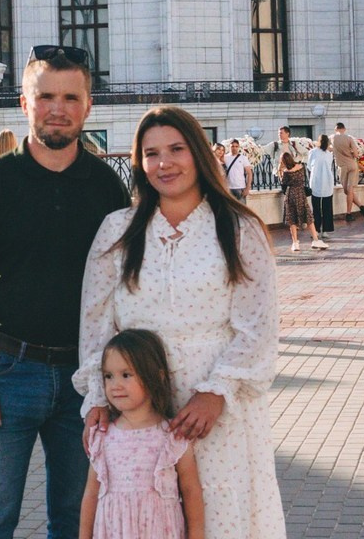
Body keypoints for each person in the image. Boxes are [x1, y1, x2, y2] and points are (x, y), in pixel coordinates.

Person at [0, 45, 130, 539]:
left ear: (88, 105)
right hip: (6, 375)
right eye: (45, 96)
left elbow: (126, 289)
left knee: (76, 523)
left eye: (71, 97)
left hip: (84, 380)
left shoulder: (107, 188)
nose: (58, 108)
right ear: (25, 103)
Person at [77, 105, 286, 539]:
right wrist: (99, 395)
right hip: (139, 410)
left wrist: (216, 394)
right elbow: (96, 325)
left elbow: (257, 326)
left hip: (217, 407)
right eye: (151, 153)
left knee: (223, 514)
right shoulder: (117, 230)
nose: (164, 163)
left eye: (176, 149)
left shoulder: (238, 228)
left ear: (199, 153)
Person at [79, 328, 205, 539]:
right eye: (108, 376)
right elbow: (91, 494)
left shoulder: (172, 436)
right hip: (113, 530)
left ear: (156, 377)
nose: (115, 385)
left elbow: (191, 490)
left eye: (126, 375)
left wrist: (197, 536)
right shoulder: (102, 436)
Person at [278, 151, 325, 252]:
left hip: (291, 195)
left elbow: (284, 187)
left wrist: (280, 172)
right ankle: (316, 240)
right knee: (308, 217)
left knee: (292, 219)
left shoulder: (286, 172)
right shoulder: (301, 167)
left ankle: (295, 243)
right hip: (301, 194)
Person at [331, 122, 362, 221]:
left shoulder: (332, 138)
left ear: (336, 129)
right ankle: (360, 207)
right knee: (350, 190)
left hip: (342, 166)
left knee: (347, 190)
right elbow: (357, 155)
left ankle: (350, 213)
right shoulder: (349, 138)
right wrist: (352, 153)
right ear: (344, 129)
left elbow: (328, 148)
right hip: (352, 164)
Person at [307, 134, 336, 239]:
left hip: (316, 181)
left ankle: (317, 229)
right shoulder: (329, 154)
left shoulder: (313, 152)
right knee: (327, 208)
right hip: (327, 181)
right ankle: (326, 230)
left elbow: (309, 166)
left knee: (316, 208)